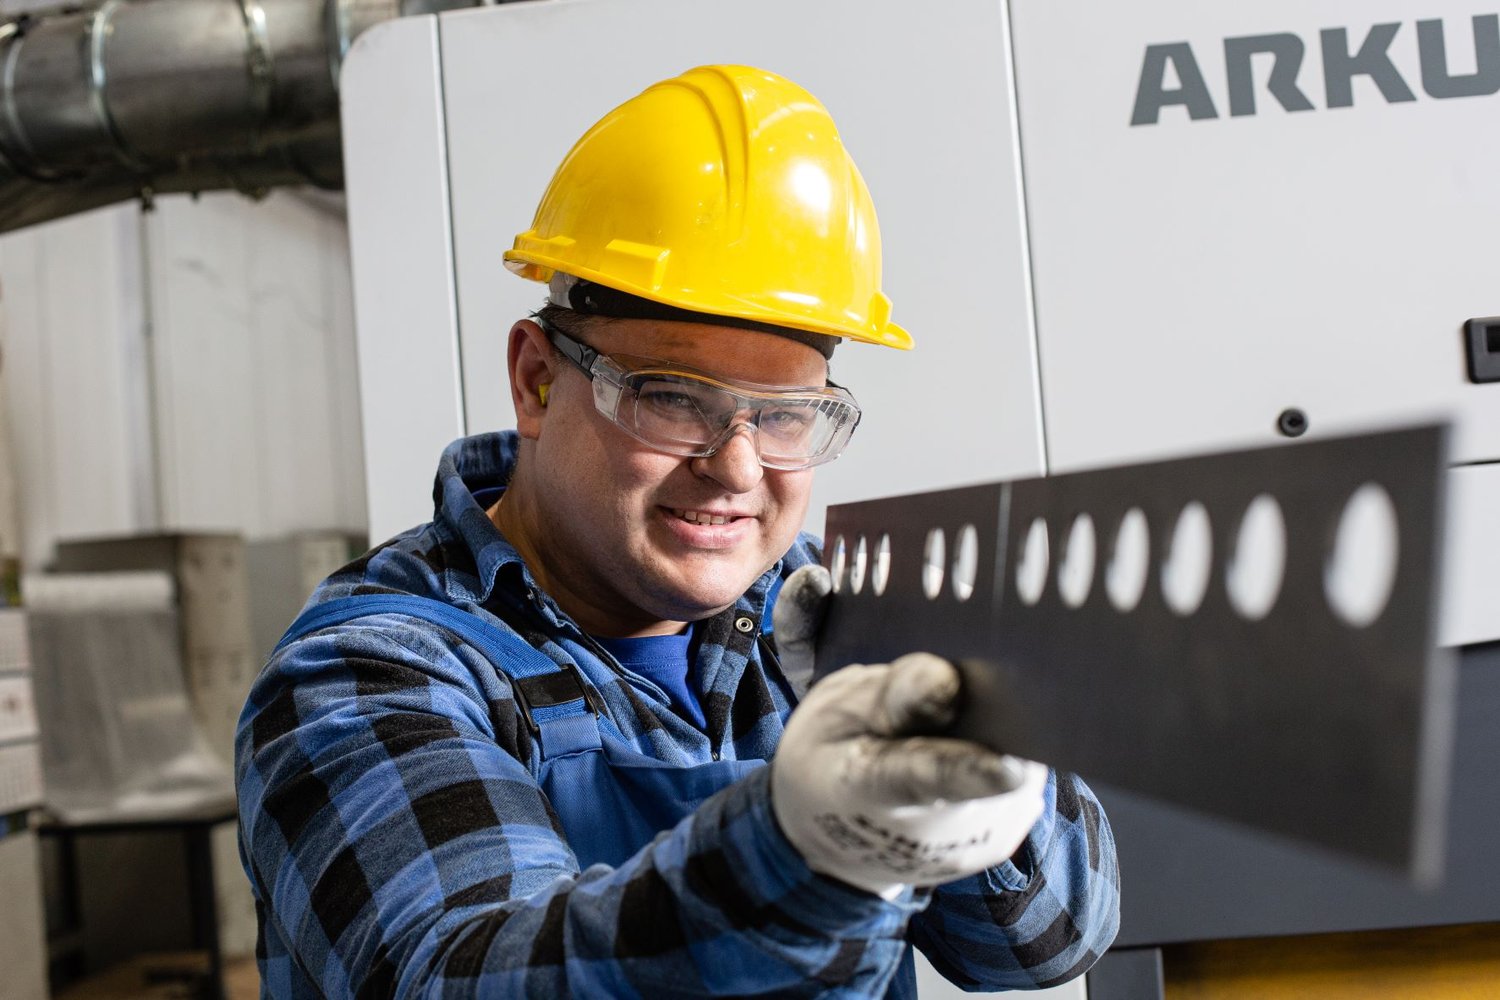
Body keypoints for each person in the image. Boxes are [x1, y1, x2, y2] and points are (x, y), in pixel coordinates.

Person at [237, 64, 1118, 997]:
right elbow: (464, 976)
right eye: (671, 399)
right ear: (538, 380)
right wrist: (806, 845)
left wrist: (990, 788)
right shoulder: (367, 675)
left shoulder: (828, 621)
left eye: (784, 416)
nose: (738, 469)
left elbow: (1043, 945)